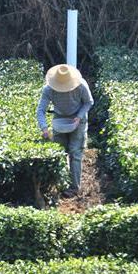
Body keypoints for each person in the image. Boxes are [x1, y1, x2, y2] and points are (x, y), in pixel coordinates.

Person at [35, 64, 94, 198]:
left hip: (78, 121)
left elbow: (89, 102)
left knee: (75, 153)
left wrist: (79, 117)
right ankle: (60, 184)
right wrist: (44, 128)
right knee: (59, 152)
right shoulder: (48, 89)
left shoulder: (81, 85)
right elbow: (40, 110)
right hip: (60, 121)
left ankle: (74, 188)